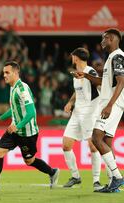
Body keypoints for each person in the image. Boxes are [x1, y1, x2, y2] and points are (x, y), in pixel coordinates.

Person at [0, 61, 59, 194]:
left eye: (7, 72)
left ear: (16, 73)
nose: (4, 75)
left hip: (27, 134)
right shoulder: (12, 87)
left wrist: (18, 126)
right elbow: (14, 109)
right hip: (14, 130)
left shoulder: (22, 89)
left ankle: (52, 172)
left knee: (29, 161)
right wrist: (1, 118)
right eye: (3, 72)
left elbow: (32, 112)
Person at [73, 28, 124, 192]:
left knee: (96, 138)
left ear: (110, 39)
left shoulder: (118, 56)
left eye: (103, 39)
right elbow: (105, 82)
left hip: (113, 104)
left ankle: (117, 177)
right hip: (111, 103)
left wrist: (109, 105)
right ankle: (113, 184)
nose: (101, 42)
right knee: (107, 142)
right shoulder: (111, 57)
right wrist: (86, 76)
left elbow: (121, 81)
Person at [62, 48, 104, 191]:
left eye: (72, 56)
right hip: (77, 112)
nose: (71, 59)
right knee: (66, 144)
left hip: (89, 112)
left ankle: (97, 181)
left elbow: (99, 83)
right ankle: (75, 177)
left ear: (75, 58)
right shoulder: (76, 75)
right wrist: (70, 102)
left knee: (93, 146)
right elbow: (77, 91)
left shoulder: (90, 71)